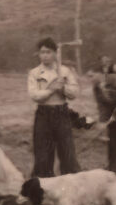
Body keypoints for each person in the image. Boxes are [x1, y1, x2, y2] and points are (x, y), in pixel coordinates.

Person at [27, 37, 80, 177]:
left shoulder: (65, 71)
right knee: (43, 154)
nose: (44, 56)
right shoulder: (34, 73)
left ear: (56, 53)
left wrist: (63, 89)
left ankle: (71, 185)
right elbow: (34, 95)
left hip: (62, 113)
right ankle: (43, 186)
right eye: (42, 52)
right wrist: (51, 89)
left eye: (48, 52)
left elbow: (74, 93)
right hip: (43, 114)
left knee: (67, 152)